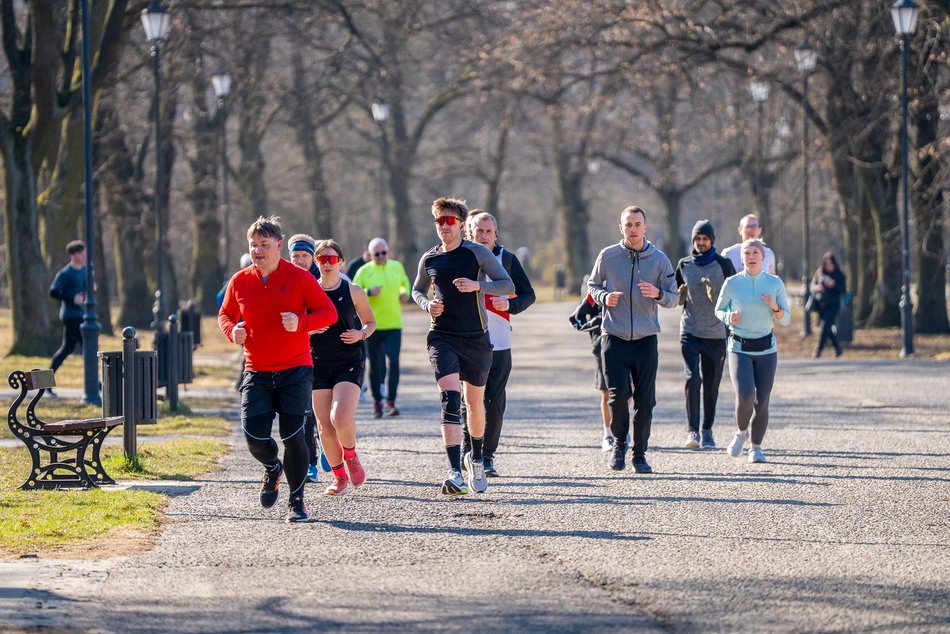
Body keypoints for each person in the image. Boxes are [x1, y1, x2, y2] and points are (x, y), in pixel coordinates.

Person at [218, 216, 337, 523]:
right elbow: (225, 315)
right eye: (253, 245)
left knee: (293, 435)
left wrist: (302, 323)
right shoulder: (240, 281)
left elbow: (328, 312)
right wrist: (233, 332)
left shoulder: (299, 277)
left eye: (264, 245)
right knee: (253, 435)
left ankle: (297, 501)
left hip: (295, 369)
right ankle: (273, 468)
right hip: (256, 371)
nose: (258, 251)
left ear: (279, 246)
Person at [411, 197, 514, 495]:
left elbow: (507, 285)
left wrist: (478, 286)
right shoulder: (430, 258)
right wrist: (426, 305)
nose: (444, 226)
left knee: (474, 403)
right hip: (442, 336)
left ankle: (477, 458)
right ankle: (454, 471)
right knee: (450, 399)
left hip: (476, 338)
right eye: (439, 221)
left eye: (449, 221)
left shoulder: (477, 253)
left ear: (459, 224)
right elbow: (416, 290)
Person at [588, 205, 678, 474]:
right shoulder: (608, 256)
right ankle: (618, 446)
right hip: (613, 336)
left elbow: (674, 298)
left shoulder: (659, 259)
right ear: (621, 228)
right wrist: (605, 297)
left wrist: (657, 293)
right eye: (628, 225)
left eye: (637, 224)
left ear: (645, 228)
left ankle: (640, 454)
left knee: (645, 400)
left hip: (645, 339)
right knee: (616, 397)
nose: (633, 229)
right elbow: (592, 286)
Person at [460, 211, 536, 477]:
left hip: (499, 342)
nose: (482, 236)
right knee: (468, 400)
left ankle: (487, 456)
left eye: (487, 231)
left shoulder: (508, 260)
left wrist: (511, 305)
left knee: (493, 401)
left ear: (496, 234)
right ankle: (466, 453)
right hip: (467, 342)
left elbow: (529, 294)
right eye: (477, 231)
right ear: (468, 232)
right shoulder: (459, 257)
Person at [714, 239, 791, 464]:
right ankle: (740, 432)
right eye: (746, 253)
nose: (751, 256)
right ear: (742, 258)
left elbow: (785, 319)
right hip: (739, 347)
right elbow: (719, 310)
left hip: (767, 349)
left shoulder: (775, 283)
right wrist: (730, 318)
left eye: (755, 252)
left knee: (762, 401)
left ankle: (756, 448)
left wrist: (774, 307)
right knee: (746, 395)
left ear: (763, 256)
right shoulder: (732, 283)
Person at [310, 239, 376, 497]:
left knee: (340, 417)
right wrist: (308, 329)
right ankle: (339, 478)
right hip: (317, 363)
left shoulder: (354, 291)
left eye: (332, 259)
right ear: (316, 263)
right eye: (323, 259)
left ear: (340, 262)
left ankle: (351, 457)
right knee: (325, 426)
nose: (327, 263)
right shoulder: (308, 291)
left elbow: (370, 323)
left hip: (349, 360)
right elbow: (294, 328)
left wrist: (360, 334)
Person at [674, 220, 736, 450]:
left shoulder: (724, 265)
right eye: (697, 239)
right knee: (693, 378)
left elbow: (735, 293)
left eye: (705, 239)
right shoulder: (684, 265)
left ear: (712, 241)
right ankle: (692, 431)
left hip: (716, 333)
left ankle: (707, 430)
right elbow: (673, 292)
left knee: (711, 384)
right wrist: (677, 294)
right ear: (693, 241)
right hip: (690, 330)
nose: (701, 243)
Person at [352, 237, 412, 418]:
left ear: (388, 251)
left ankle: (391, 401)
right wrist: (369, 293)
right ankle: (377, 402)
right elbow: (353, 293)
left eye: (383, 252)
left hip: (394, 324)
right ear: (370, 254)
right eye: (376, 254)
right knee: (375, 365)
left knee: (393, 361)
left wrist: (404, 293)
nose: (380, 256)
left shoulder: (396, 266)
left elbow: (404, 283)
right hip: (371, 325)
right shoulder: (364, 271)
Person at [288, 233, 327, 484]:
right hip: (296, 352)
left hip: (324, 352)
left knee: (321, 410)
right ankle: (310, 462)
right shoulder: (284, 278)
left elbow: (330, 317)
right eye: (296, 256)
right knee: (304, 411)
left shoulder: (322, 279)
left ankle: (327, 441)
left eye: (305, 256)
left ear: (313, 256)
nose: (300, 261)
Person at [569, 287, 612, 451]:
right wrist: (595, 324)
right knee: (606, 391)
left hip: (628, 344)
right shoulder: (595, 293)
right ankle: (607, 434)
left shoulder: (627, 281)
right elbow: (576, 318)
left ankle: (621, 428)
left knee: (627, 392)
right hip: (602, 347)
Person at [49, 240, 88, 393]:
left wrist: (89, 291)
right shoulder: (65, 273)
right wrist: (72, 298)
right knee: (88, 346)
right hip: (71, 316)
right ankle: (95, 382)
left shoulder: (85, 270)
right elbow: (53, 291)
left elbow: (87, 287)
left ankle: (45, 382)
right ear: (74, 255)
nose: (85, 256)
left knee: (66, 349)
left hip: (82, 314)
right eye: (82, 253)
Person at [811, 252, 846, 358]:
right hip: (821, 304)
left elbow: (843, 289)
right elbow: (812, 285)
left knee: (825, 326)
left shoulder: (839, 274)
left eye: (831, 264)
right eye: (827, 264)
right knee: (828, 328)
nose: (829, 266)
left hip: (833, 305)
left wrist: (833, 284)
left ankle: (819, 350)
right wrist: (816, 288)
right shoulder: (820, 273)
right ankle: (838, 348)